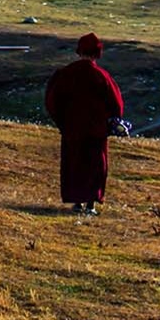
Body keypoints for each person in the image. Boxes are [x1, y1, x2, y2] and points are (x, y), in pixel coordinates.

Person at [42, 33, 125, 215]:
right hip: (96, 130)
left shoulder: (65, 74)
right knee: (95, 166)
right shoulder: (101, 76)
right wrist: (111, 121)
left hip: (72, 128)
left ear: (79, 52)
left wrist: (62, 121)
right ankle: (91, 205)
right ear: (97, 54)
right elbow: (116, 103)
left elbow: (52, 100)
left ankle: (77, 202)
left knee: (75, 164)